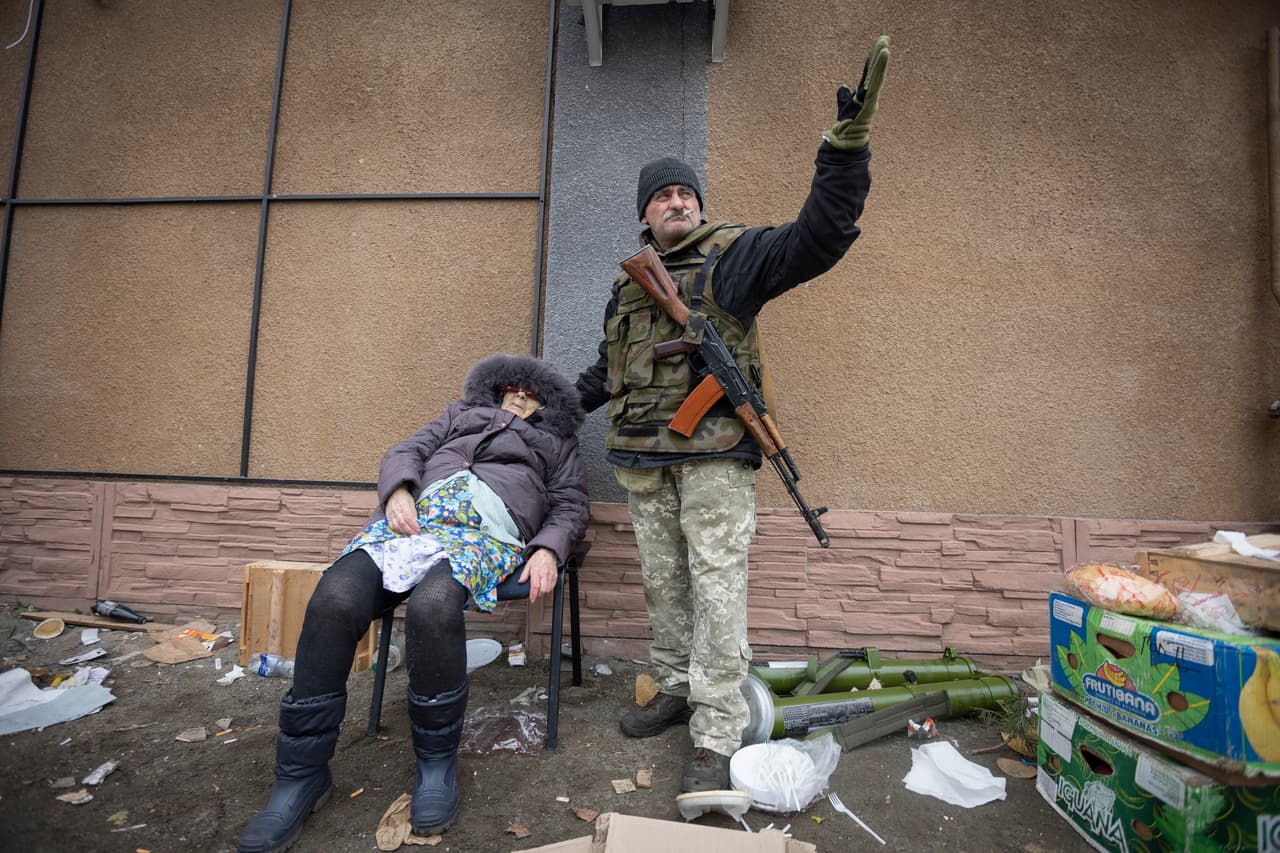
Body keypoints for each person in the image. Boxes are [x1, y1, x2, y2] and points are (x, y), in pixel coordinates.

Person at [574, 36, 891, 793]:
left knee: (718, 592)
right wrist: (538, 407)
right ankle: (676, 688)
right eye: (662, 196)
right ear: (643, 214)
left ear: (698, 205)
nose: (676, 202)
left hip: (714, 459)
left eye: (685, 194)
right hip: (643, 462)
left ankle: (716, 730)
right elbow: (606, 374)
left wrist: (843, 154)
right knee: (665, 587)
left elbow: (819, 238)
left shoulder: (734, 257)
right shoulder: (628, 287)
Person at [238, 353, 587, 853]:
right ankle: (300, 775)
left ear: (546, 407)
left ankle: (436, 765)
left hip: (485, 534)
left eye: (532, 395)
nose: (520, 396)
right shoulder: (458, 415)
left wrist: (550, 548)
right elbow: (407, 450)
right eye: (513, 388)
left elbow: (570, 504)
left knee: (434, 605)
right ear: (497, 390)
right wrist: (399, 489)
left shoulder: (557, 443)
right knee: (334, 599)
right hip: (413, 523)